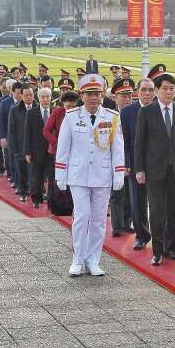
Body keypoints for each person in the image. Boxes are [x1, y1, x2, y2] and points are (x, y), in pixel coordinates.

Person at [55, 74, 125, 276]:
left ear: (102, 94)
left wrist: (118, 173)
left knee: (98, 220)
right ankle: (77, 259)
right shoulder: (71, 116)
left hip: (102, 175)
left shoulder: (112, 117)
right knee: (82, 217)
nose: (94, 97)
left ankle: (93, 259)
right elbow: (63, 148)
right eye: (89, 94)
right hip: (78, 175)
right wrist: (61, 173)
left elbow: (117, 149)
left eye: (97, 93)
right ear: (82, 95)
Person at [134, 65, 175, 265]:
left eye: (172, 89)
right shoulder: (147, 111)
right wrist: (140, 169)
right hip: (155, 170)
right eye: (165, 88)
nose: (169, 92)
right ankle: (158, 251)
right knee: (158, 212)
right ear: (157, 91)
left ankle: (172, 248)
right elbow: (139, 143)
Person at [122, 78, 154, 250]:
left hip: (157, 163)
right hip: (135, 163)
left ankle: (160, 235)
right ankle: (141, 235)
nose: (147, 93)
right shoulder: (127, 112)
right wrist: (126, 163)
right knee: (137, 201)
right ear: (137, 92)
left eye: (150, 90)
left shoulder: (160, 109)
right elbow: (125, 140)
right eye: (144, 90)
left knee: (158, 203)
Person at [109, 79, 135, 236]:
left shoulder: (135, 113)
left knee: (131, 194)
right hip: (114, 160)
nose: (127, 99)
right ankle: (117, 226)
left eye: (129, 96)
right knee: (117, 193)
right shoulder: (110, 115)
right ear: (115, 97)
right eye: (123, 96)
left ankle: (127, 222)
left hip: (131, 159)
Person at [24, 87, 55, 208]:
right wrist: (27, 152)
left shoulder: (55, 112)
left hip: (52, 150)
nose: (45, 99)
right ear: (38, 98)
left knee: (52, 176)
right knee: (37, 176)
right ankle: (36, 199)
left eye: (48, 97)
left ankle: (51, 199)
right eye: (43, 97)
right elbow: (27, 133)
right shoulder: (31, 113)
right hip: (37, 151)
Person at [9, 85, 37, 202]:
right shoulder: (15, 110)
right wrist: (14, 149)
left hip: (35, 146)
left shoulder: (38, 108)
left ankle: (36, 193)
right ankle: (23, 192)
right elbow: (12, 130)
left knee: (35, 172)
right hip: (20, 146)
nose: (29, 97)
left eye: (31, 95)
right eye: (26, 95)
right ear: (21, 96)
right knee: (22, 171)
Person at [0, 80, 20, 184]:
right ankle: (13, 178)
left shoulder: (26, 103)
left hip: (22, 137)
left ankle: (20, 181)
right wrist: (2, 137)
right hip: (9, 136)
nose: (19, 95)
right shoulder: (5, 102)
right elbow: (1, 121)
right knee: (11, 159)